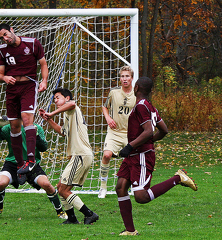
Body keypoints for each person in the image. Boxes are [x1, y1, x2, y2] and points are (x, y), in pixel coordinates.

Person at [116, 77, 197, 236]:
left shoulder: (141, 107)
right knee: (120, 187)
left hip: (141, 156)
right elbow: (164, 130)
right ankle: (130, 231)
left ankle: (178, 178)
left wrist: (132, 145)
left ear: (137, 87)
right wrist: (143, 143)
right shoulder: (149, 107)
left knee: (141, 197)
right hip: (133, 155)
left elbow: (148, 131)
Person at [0, 116, 67, 220]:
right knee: (0, 183)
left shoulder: (36, 127)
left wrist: (36, 134)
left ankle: (60, 211)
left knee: (47, 184)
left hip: (31, 164)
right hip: (12, 164)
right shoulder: (9, 128)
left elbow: (43, 148)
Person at [39, 88, 99, 225]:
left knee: (64, 190)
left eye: (58, 97)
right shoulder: (67, 114)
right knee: (61, 187)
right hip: (79, 155)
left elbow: (72, 104)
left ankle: (89, 214)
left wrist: (52, 113)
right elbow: (62, 132)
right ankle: (72, 218)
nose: (55, 100)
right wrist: (49, 119)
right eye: (54, 98)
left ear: (66, 98)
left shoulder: (71, 107)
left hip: (81, 154)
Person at [0, 23, 48, 174]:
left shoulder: (32, 43)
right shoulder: (1, 50)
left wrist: (44, 80)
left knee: (26, 119)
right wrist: (5, 77)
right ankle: (19, 166)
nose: (5, 39)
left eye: (6, 34)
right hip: (12, 90)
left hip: (28, 86)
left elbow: (43, 64)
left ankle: (31, 160)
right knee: (14, 127)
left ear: (12, 30)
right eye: (1, 38)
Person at [98, 66, 136, 198]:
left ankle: (131, 186)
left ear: (131, 78)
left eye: (127, 76)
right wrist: (108, 118)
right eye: (122, 76)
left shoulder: (136, 94)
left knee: (132, 160)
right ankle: (103, 187)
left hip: (130, 134)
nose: (124, 79)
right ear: (120, 78)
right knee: (107, 155)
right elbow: (104, 106)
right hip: (114, 132)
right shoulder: (114, 92)